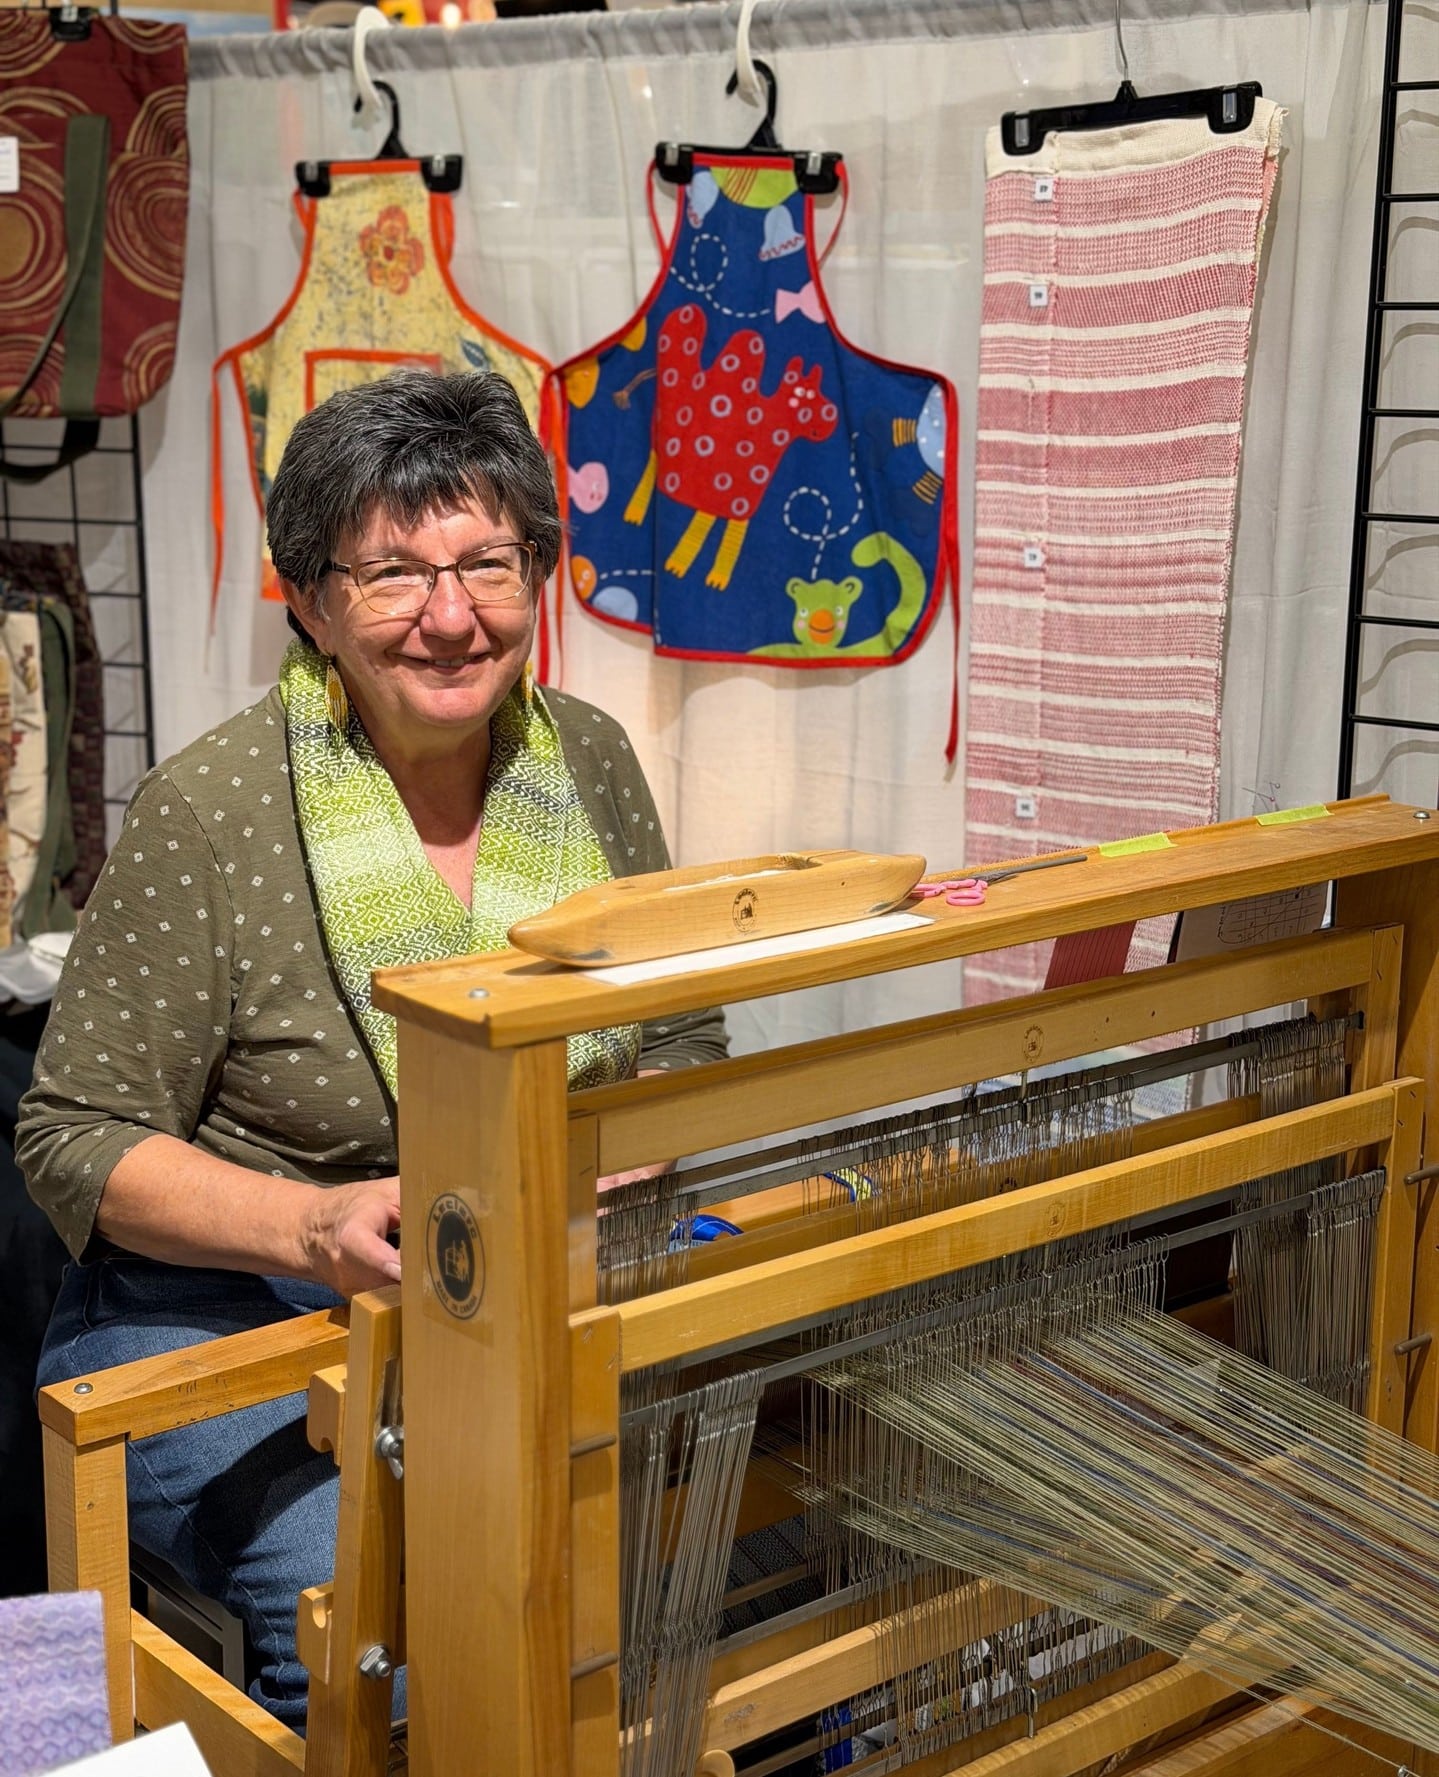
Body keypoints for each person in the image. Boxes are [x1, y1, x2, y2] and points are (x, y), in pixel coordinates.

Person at [18, 369, 726, 1728]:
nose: (452, 617)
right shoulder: (213, 813)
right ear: (310, 600)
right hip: (223, 1319)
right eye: (394, 572)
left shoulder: (587, 759)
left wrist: (635, 1151)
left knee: (690, 1547)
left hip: (511, 1299)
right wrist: (311, 1223)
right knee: (410, 1625)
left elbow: (680, 1023)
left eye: (487, 564)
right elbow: (72, 1138)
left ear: (537, 573)